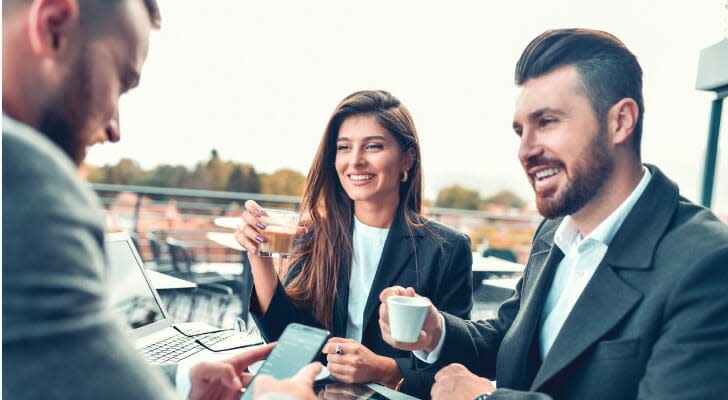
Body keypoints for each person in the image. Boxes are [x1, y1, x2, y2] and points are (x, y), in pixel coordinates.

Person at [378, 28, 728, 400]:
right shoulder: (553, 232)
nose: (525, 150)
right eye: (520, 131)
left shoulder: (708, 264)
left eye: (547, 122)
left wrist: (484, 399)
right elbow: (512, 340)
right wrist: (438, 332)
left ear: (621, 121)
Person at [2, 1, 317, 399]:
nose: (114, 128)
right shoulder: (24, 176)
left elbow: (57, 365)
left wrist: (183, 379)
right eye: (120, 81)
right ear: (54, 28)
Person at [236, 90, 473, 399]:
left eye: (373, 146)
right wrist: (259, 255)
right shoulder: (314, 234)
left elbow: (456, 371)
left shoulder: (447, 249)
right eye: (344, 147)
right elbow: (288, 341)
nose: (355, 161)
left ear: (407, 158)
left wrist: (386, 369)